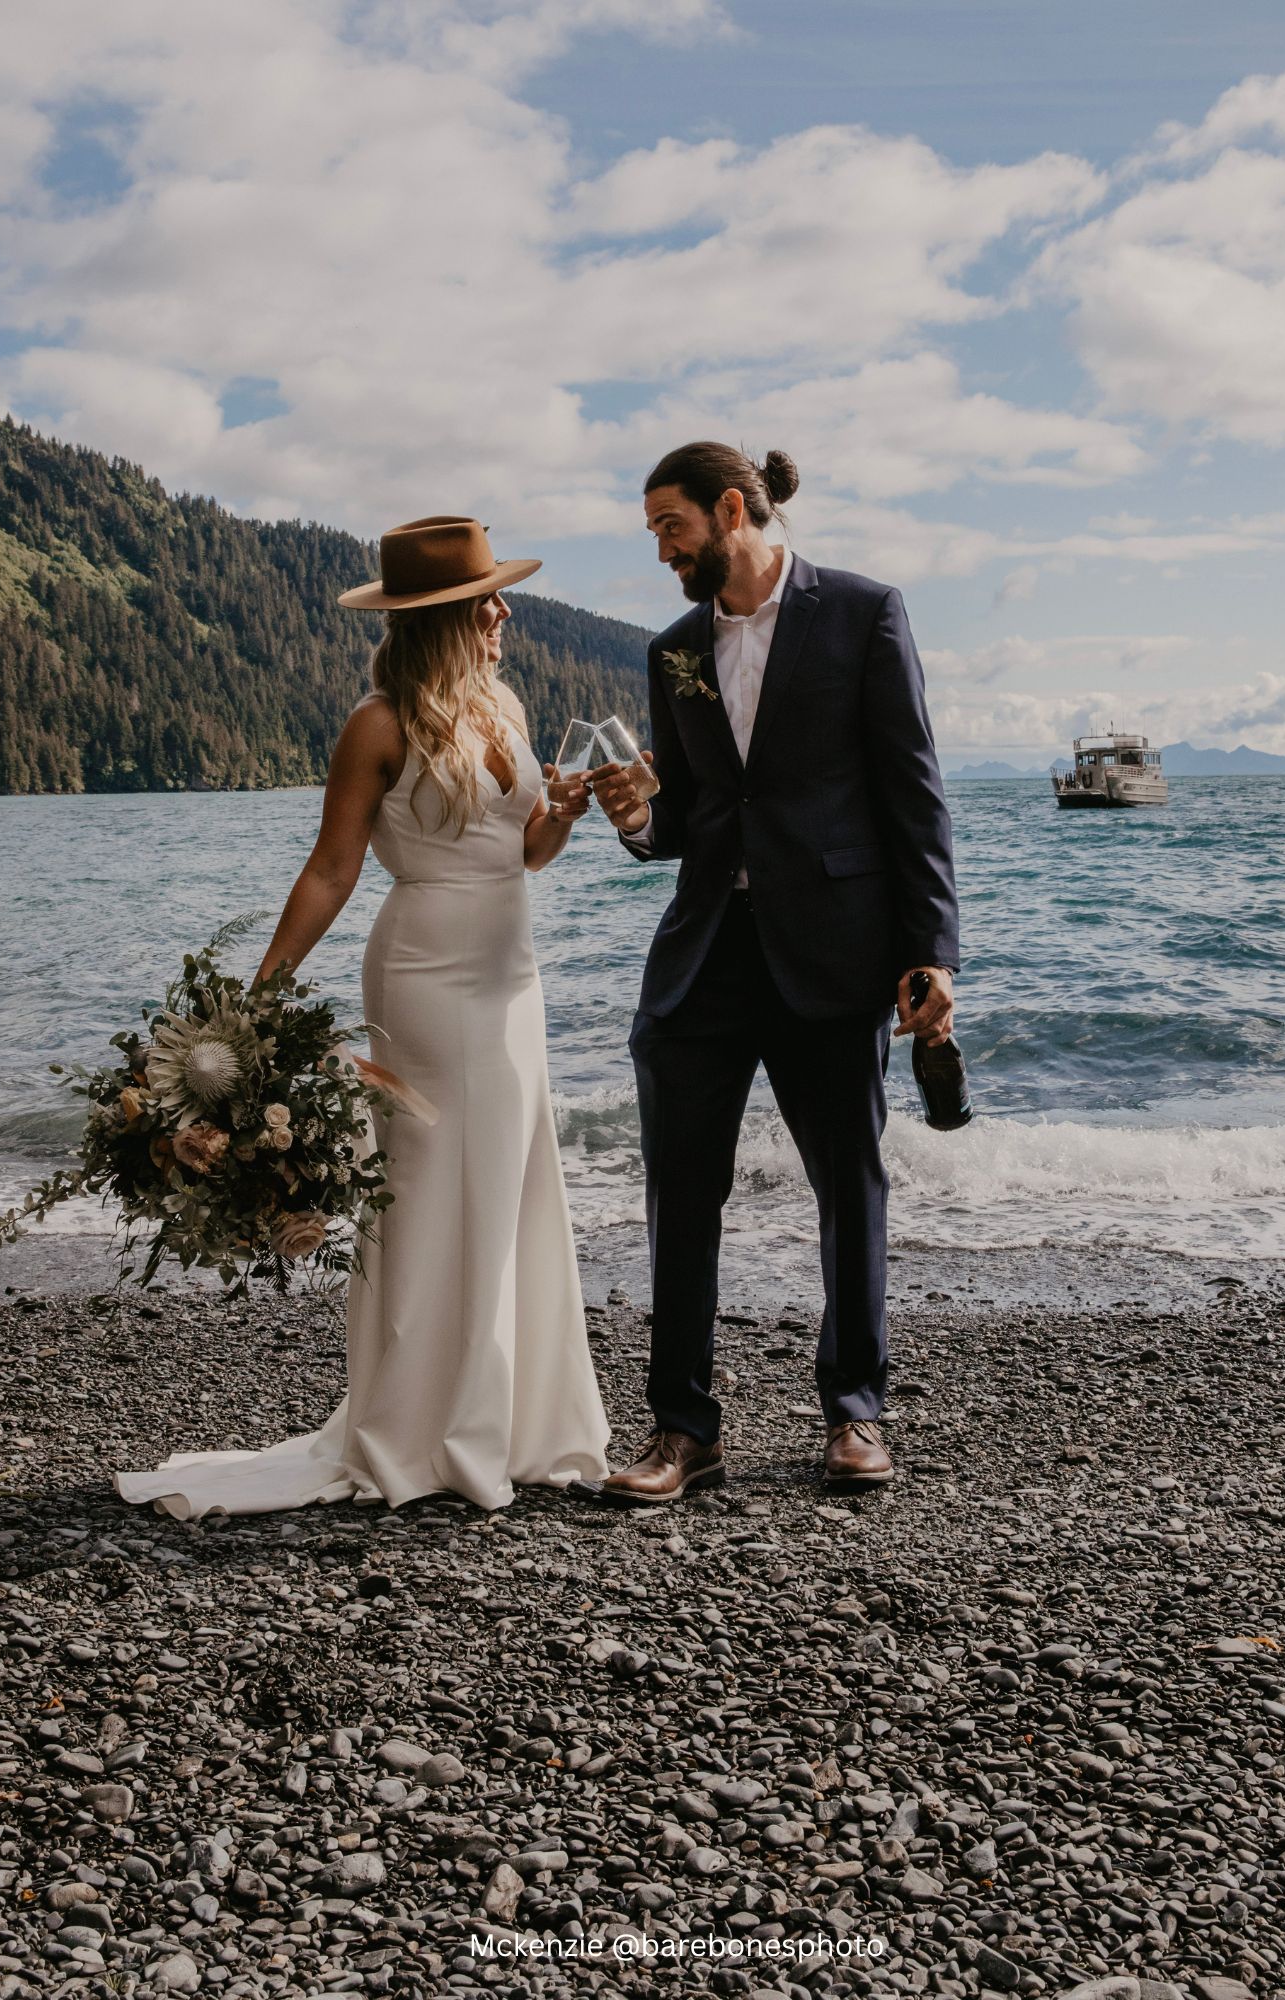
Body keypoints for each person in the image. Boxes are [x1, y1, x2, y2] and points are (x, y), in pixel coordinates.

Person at [115, 516, 610, 1517]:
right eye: (488, 603)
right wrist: (256, 1007)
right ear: (443, 619)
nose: (506, 612)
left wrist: (562, 818)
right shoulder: (376, 725)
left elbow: (522, 854)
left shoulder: (505, 704)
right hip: (424, 976)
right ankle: (421, 1427)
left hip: (514, 982)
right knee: (430, 1192)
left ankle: (508, 1419)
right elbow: (332, 869)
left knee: (511, 1181)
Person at [590, 445, 959, 1501]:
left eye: (671, 526)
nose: (661, 548)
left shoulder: (863, 613)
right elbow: (686, 821)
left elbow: (914, 792)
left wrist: (932, 949)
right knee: (680, 1193)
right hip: (704, 955)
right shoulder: (673, 653)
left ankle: (855, 1412)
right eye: (653, 532)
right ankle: (682, 1429)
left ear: (733, 508)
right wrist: (635, 818)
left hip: (837, 950)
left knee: (849, 1184)